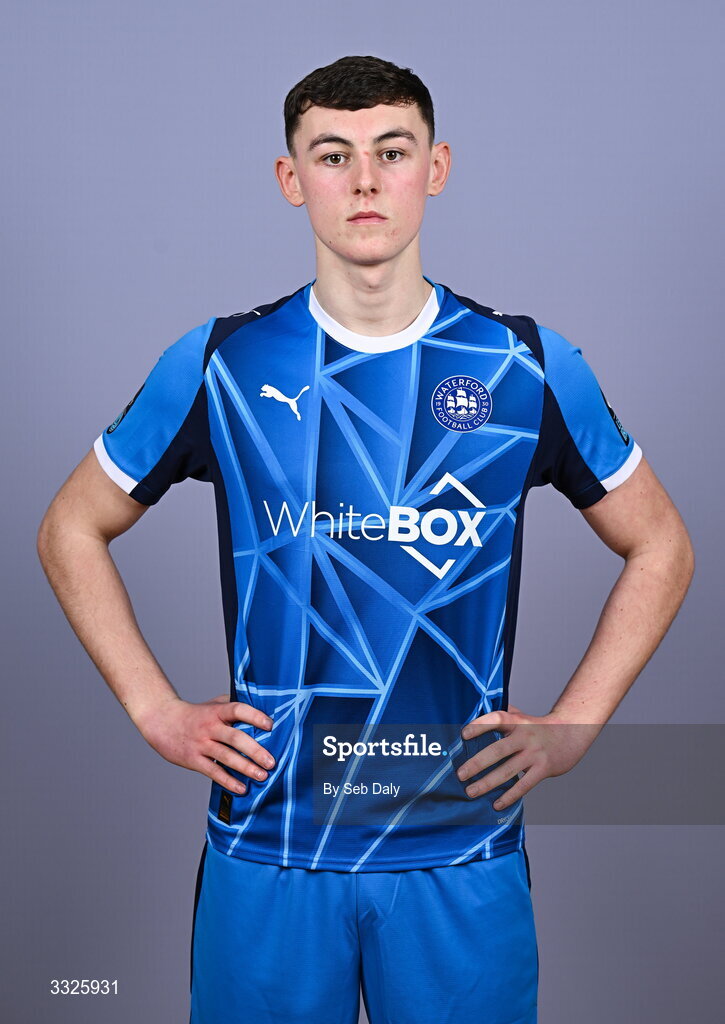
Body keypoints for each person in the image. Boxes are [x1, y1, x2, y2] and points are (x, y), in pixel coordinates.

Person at [37, 54, 694, 1024]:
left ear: (434, 166)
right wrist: (152, 708)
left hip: (456, 846)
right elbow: (70, 527)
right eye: (332, 155)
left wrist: (571, 728)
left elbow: (662, 547)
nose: (364, 182)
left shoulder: (523, 366)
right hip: (272, 845)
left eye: (390, 152)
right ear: (288, 177)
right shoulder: (221, 363)